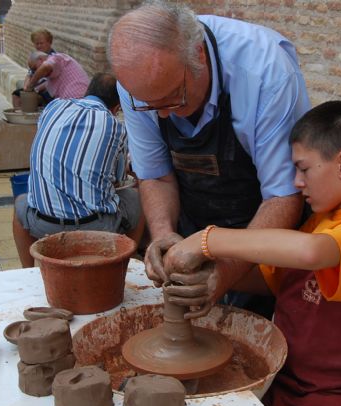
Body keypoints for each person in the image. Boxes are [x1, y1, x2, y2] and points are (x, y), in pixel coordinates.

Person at [162, 101, 341, 406]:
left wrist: (205, 240)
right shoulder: (321, 221)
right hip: (286, 386)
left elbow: (312, 253)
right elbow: (270, 279)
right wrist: (211, 277)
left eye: (304, 168)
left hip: (340, 400)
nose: (296, 182)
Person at [107, 0, 311, 315]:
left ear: (198, 56)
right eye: (151, 104)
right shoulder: (136, 81)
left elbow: (281, 198)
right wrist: (162, 233)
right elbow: (156, 175)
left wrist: (225, 274)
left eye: (174, 95)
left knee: (264, 328)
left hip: (262, 223)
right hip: (197, 219)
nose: (163, 113)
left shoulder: (265, 73)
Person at [13, 73, 144, 268]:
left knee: (20, 204)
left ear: (87, 92)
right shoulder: (115, 126)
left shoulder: (53, 108)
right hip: (96, 226)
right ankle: (126, 263)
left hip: (43, 223)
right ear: (116, 108)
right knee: (137, 198)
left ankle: (27, 271)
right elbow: (118, 180)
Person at [11, 28, 56, 109]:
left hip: (48, 90)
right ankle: (19, 116)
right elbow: (30, 74)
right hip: (35, 88)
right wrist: (26, 87)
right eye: (36, 44)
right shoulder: (36, 57)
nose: (39, 46)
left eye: (41, 43)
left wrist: (34, 89)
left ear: (49, 42)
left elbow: (50, 82)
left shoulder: (54, 58)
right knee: (16, 94)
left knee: (30, 98)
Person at [23, 50, 89, 101]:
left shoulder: (56, 58)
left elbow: (45, 67)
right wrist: (35, 89)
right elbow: (47, 84)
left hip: (78, 100)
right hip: (71, 101)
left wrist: (31, 85)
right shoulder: (52, 74)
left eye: (35, 68)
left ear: (40, 59)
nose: (35, 71)